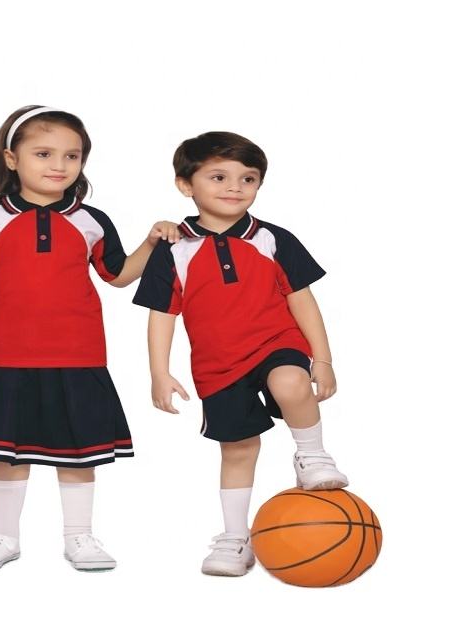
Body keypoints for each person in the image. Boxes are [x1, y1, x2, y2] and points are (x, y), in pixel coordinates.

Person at [0, 105, 180, 572]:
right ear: (12, 158)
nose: (59, 165)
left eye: (72, 156)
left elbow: (119, 275)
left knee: (79, 452)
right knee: (6, 451)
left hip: (78, 355)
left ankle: (79, 536)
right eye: (43, 153)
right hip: (8, 354)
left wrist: (152, 241)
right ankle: (3, 537)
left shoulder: (92, 220)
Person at [133, 131, 349, 577]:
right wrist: (159, 372)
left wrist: (323, 359)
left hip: (276, 342)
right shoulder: (173, 249)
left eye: (248, 178)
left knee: (290, 382)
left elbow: (303, 301)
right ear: (185, 185)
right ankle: (235, 538)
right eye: (219, 177)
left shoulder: (273, 238)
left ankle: (312, 455)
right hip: (217, 365)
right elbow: (162, 315)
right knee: (237, 450)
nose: (235, 187)